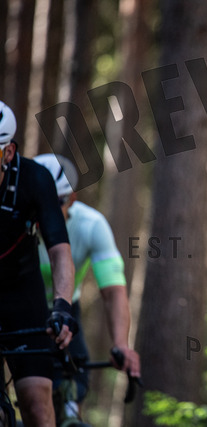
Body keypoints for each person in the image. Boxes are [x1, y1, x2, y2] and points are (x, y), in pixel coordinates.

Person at [34, 153, 141, 418]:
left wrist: (120, 343)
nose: (45, 211)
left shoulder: (91, 225)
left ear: (71, 199)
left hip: (66, 309)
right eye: (38, 201)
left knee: (73, 390)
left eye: (55, 203)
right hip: (18, 307)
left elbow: (113, 291)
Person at [0, 100, 76, 426]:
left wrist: (62, 306)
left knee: (37, 404)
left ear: (8, 152)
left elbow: (59, 251)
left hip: (22, 294)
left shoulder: (35, 179)